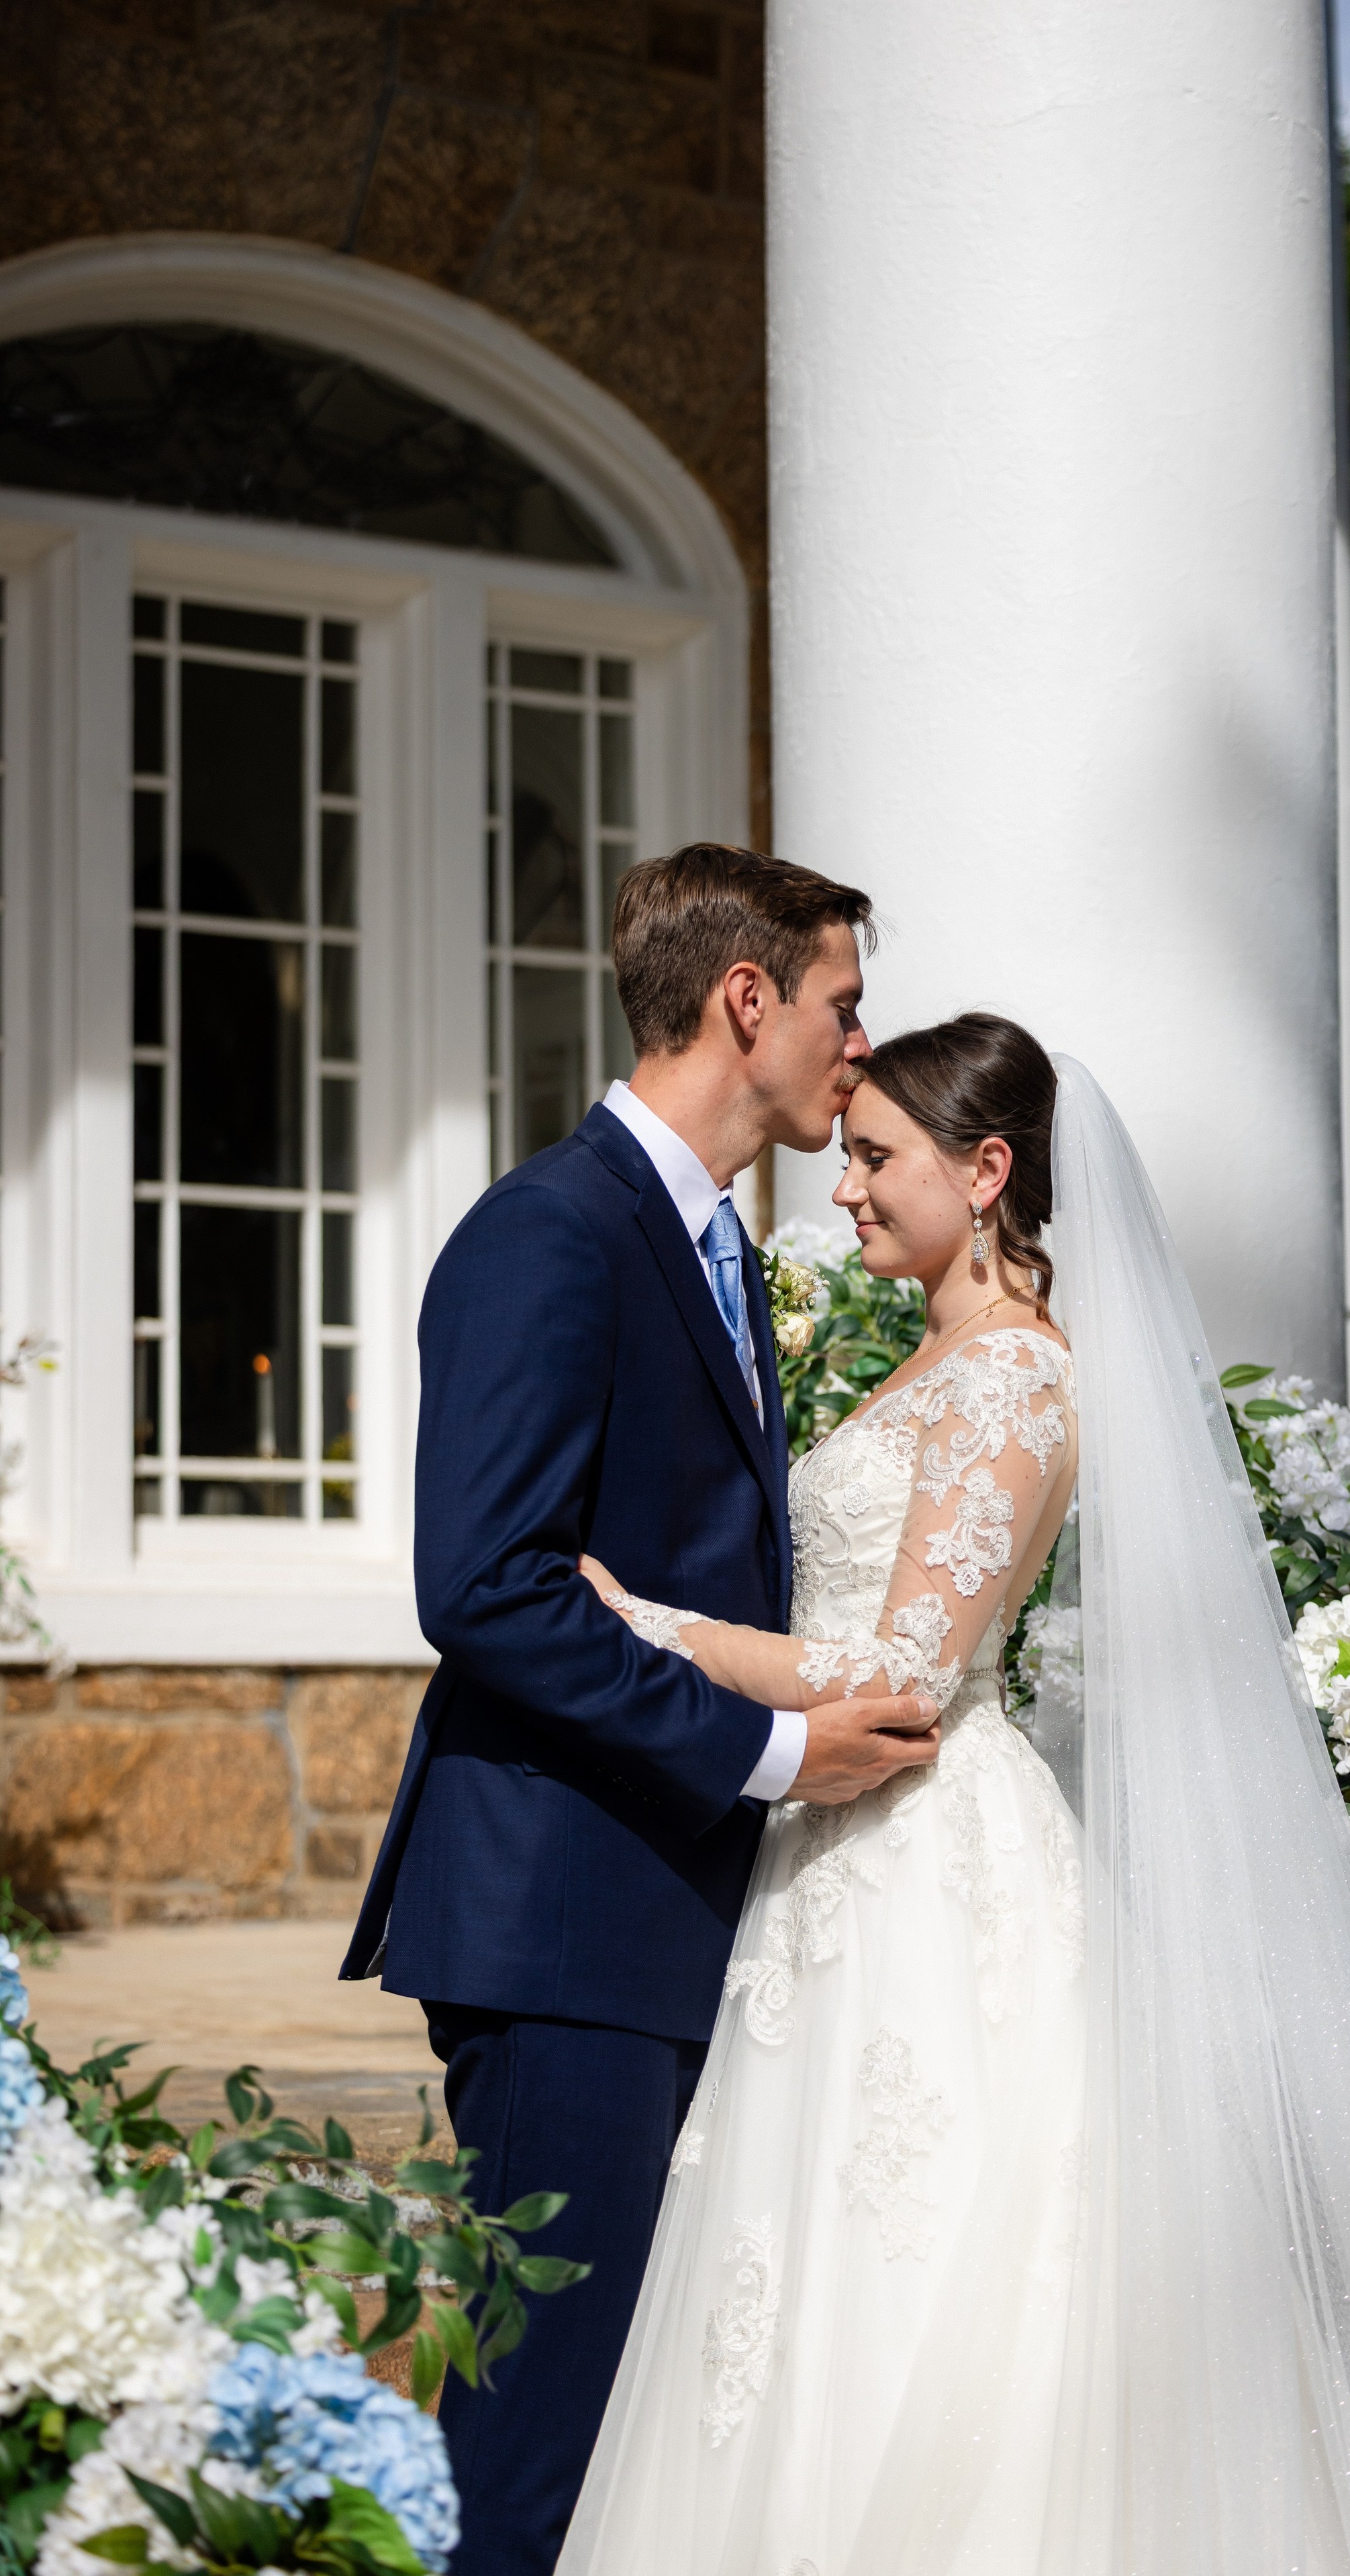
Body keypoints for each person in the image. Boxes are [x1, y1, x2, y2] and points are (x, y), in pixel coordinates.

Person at [559, 1017, 1350, 2576]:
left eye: (874, 1156)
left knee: (945, 2273)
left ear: (984, 1169)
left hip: (924, 1857)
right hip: (841, 1859)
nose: (843, 1187)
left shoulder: (1009, 1373)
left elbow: (909, 1667)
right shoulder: (937, 1355)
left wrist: (650, 1626)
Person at [340, 844, 942, 2576]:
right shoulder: (550, 1230)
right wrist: (773, 1752)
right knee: (535, 2455)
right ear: (747, 999)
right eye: (841, 1002)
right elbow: (488, 1585)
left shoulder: (713, 1243)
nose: (859, 1043)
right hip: (566, 1931)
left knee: (635, 2454)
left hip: (664, 1926)